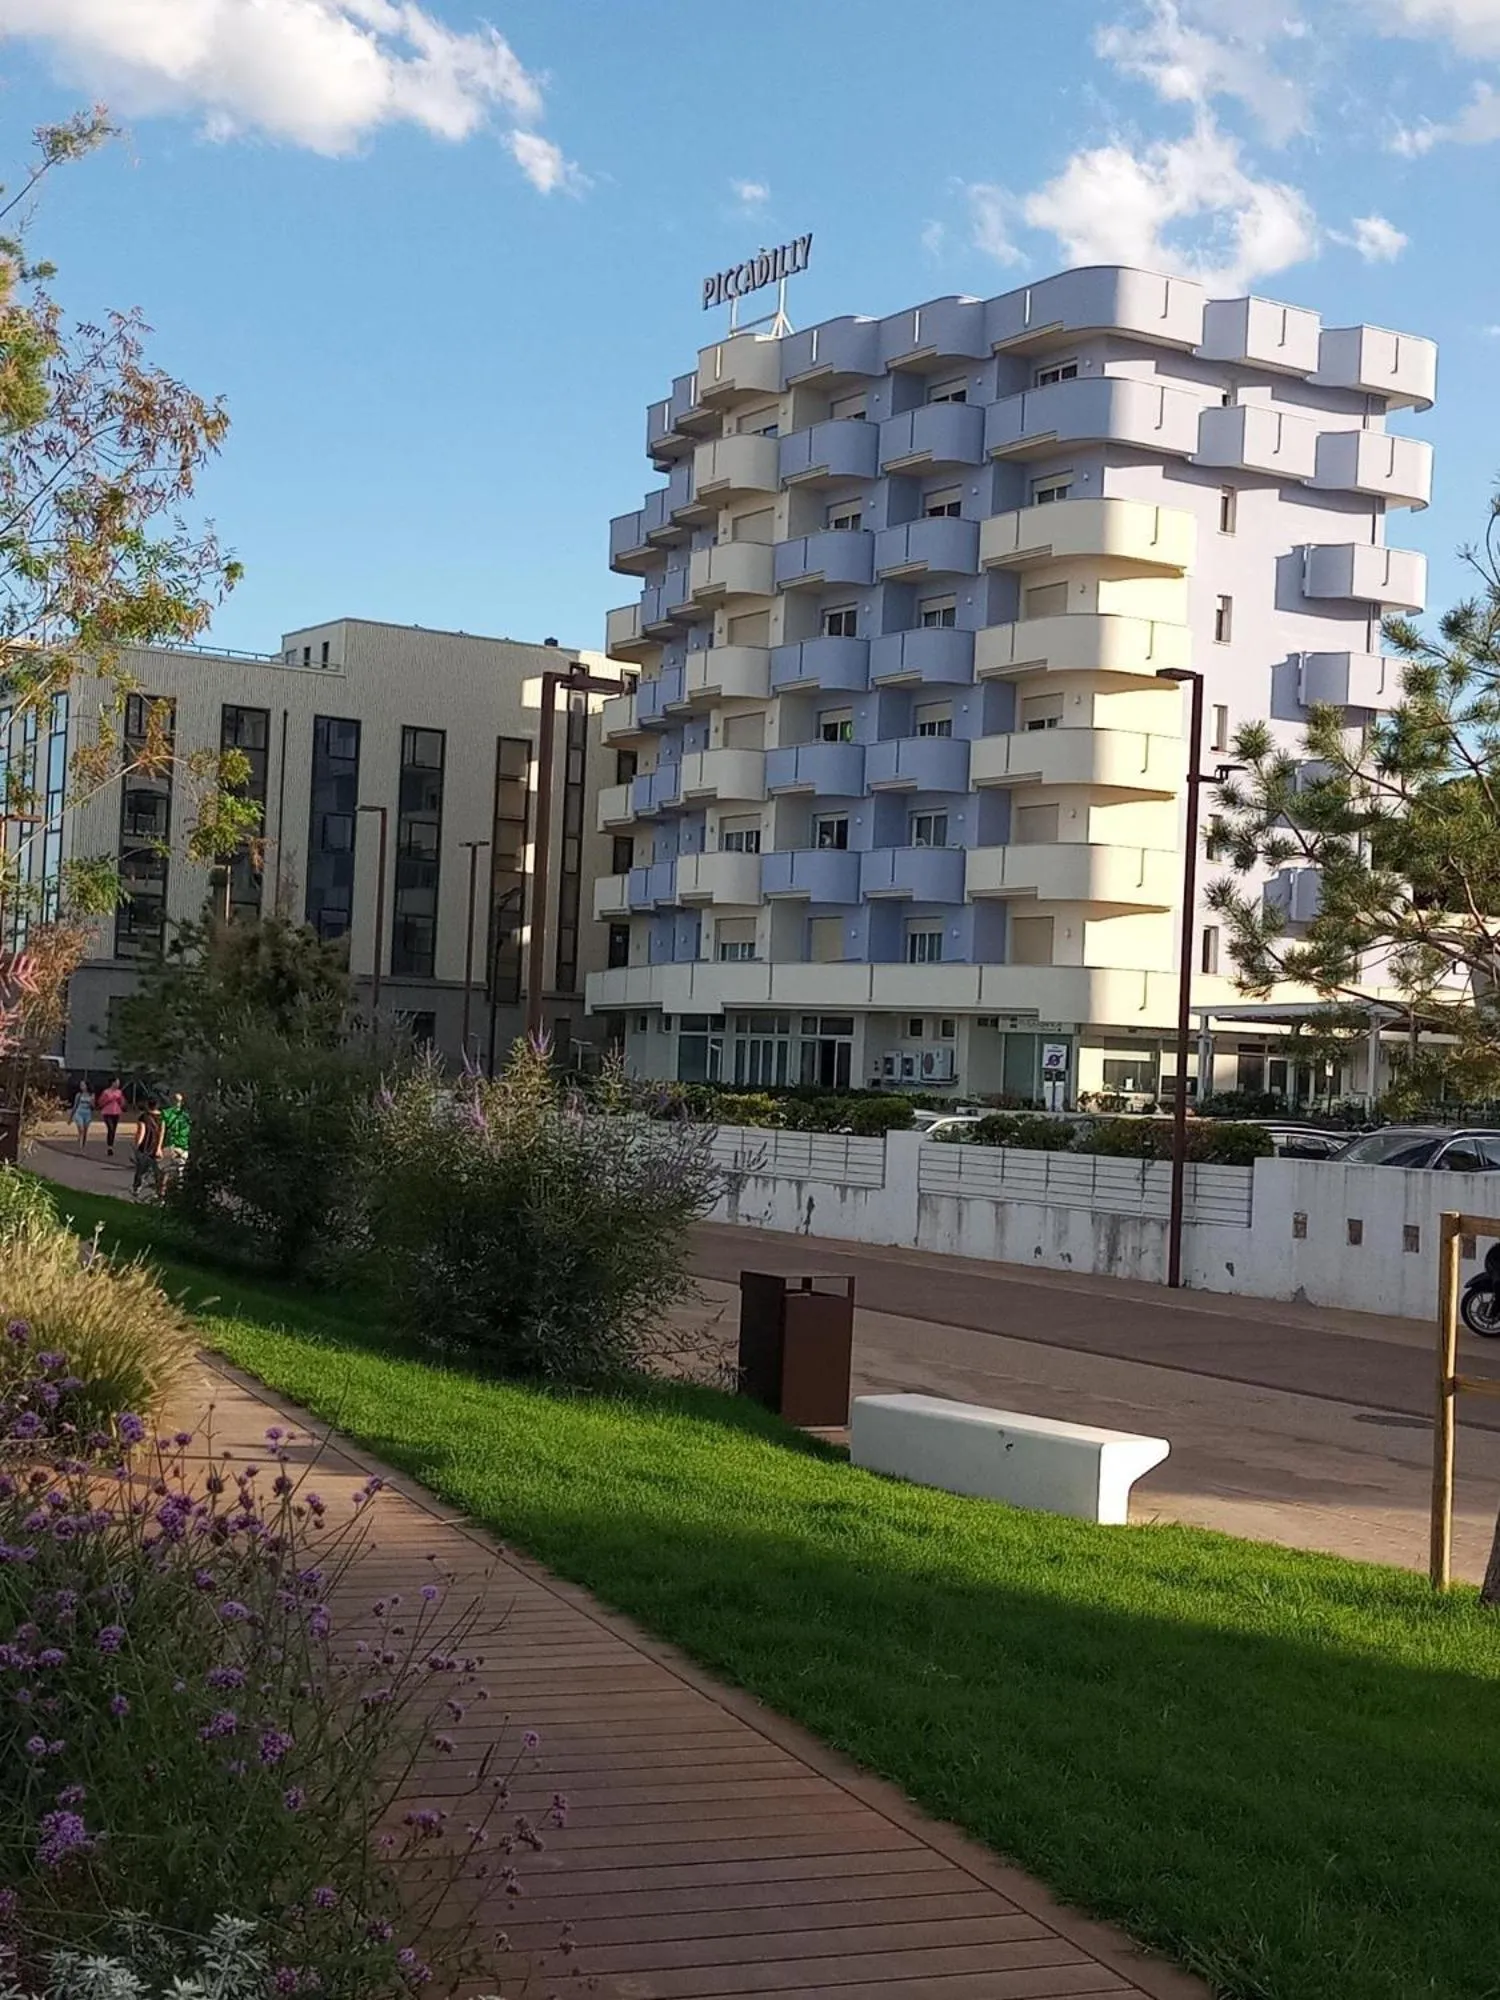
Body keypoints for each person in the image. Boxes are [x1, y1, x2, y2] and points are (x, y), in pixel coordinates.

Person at [132, 1097, 164, 1196]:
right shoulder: (162, 1117)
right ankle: (159, 1191)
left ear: (147, 1105)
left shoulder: (143, 1117)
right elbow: (161, 1132)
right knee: (157, 1170)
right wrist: (159, 1147)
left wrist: (137, 1145)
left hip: (145, 1147)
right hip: (155, 1147)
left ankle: (137, 1188)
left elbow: (141, 1131)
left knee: (140, 1169)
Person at [159, 1091, 191, 1188]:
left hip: (170, 1145)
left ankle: (162, 1195)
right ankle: (178, 1193)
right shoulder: (186, 1116)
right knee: (180, 1172)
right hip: (183, 1146)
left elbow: (162, 1131)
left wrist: (158, 1147)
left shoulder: (166, 1113)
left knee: (166, 1172)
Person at [96, 1077, 126, 1158]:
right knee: (110, 1128)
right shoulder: (106, 1092)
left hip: (116, 1112)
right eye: (116, 1082)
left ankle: (111, 1146)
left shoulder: (119, 1092)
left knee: (114, 1130)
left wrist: (121, 1100)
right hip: (107, 1112)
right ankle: (109, 1146)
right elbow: (100, 1102)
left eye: (118, 1082)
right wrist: (109, 1100)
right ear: (112, 1083)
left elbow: (122, 1103)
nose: (118, 1084)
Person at [69, 1080, 95, 1151]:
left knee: (85, 1130)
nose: (82, 1087)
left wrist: (92, 1102)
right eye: (81, 1085)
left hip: (87, 1113)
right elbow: (75, 1106)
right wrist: (71, 1117)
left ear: (87, 1086)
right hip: (79, 1113)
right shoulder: (78, 1095)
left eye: (83, 1085)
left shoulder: (91, 1095)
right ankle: (79, 1143)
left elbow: (93, 1107)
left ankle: (83, 1145)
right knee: (81, 1129)